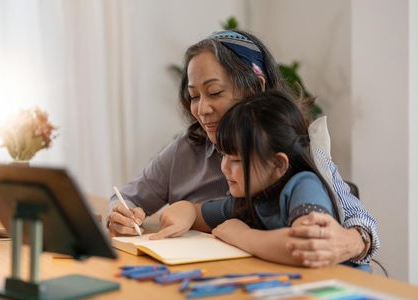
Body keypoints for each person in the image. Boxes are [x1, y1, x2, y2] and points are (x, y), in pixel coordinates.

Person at [108, 30, 378, 268]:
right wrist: (126, 214)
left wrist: (355, 240)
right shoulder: (187, 149)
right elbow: (129, 199)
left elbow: (356, 220)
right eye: (193, 96)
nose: (201, 109)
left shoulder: (297, 158)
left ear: (255, 88)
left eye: (214, 93)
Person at [150, 90, 369, 268]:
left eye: (236, 160)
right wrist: (185, 210)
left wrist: (242, 235)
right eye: (224, 155)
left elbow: (304, 247)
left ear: (277, 164)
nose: (224, 167)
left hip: (341, 294)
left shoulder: (304, 185)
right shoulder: (252, 197)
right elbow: (199, 214)